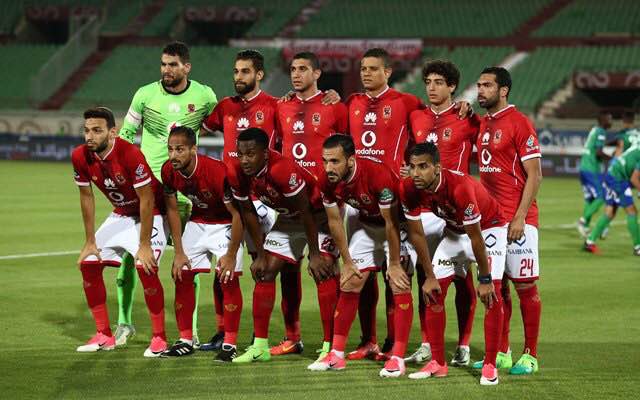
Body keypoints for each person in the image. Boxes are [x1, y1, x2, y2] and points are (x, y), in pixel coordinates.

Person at [118, 41, 218, 347]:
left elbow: (223, 122)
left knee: (188, 260)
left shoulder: (204, 95)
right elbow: (125, 135)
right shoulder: (144, 95)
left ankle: (191, 331)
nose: (166, 70)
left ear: (187, 67)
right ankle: (124, 323)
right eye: (163, 64)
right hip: (146, 188)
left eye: (173, 64)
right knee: (131, 255)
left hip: (184, 191)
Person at [309, 134, 416, 378]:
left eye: (335, 161)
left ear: (351, 160)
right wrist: (347, 261)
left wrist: (394, 263)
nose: (328, 168)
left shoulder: (378, 176)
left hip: (397, 226)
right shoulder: (327, 180)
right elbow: (335, 221)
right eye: (325, 161)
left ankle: (397, 358)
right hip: (365, 225)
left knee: (399, 284)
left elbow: (391, 222)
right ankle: (336, 355)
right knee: (350, 281)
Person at [227, 128, 337, 363]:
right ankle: (260, 347)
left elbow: (306, 210)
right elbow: (248, 212)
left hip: (318, 217)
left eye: (250, 154)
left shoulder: (281, 170)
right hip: (289, 218)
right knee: (265, 271)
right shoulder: (237, 172)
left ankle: (330, 346)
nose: (244, 160)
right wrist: (259, 254)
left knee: (323, 271)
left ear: (265, 154)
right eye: (240, 154)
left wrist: (315, 254)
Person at [400, 142, 507, 385]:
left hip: (488, 229)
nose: (416, 173)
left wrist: (485, 279)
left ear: (437, 168)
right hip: (454, 232)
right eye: (412, 167)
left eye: (423, 167)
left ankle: (490, 365)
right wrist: (429, 276)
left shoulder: (460, 188)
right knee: (433, 293)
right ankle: (438, 363)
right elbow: (416, 233)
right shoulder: (408, 188)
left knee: (492, 294)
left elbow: (476, 238)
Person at [72, 107, 168, 357]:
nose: (89, 136)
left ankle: (159, 338)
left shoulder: (129, 154)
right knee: (89, 263)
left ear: (112, 132)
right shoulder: (80, 156)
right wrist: (90, 241)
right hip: (122, 213)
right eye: (86, 131)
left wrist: (144, 245)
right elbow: (86, 197)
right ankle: (104, 335)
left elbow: (147, 199)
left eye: (97, 130)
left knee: (145, 266)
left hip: (154, 211)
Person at [405, 59, 480, 366]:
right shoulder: (416, 117)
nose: (432, 88)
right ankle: (427, 343)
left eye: (439, 82)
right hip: (423, 208)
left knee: (462, 278)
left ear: (452, 87)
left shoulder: (467, 119)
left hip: (455, 211)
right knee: (426, 275)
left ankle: (463, 344)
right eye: (428, 82)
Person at [276, 51, 348, 361]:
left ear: (317, 74)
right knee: (285, 268)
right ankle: (292, 338)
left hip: (324, 202)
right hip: (291, 203)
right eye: (293, 69)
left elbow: (348, 150)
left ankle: (331, 343)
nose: (296, 74)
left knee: (325, 269)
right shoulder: (281, 106)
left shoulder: (334, 107)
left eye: (303, 69)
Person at [474, 67, 543, 376]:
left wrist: (519, 217)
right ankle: (502, 352)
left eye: (487, 85)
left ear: (503, 90)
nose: (480, 90)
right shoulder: (483, 123)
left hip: (518, 220)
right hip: (490, 222)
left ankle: (531, 354)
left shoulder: (519, 122)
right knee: (496, 288)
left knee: (525, 286)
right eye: (479, 85)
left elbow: (535, 175)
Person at [160, 126, 244, 361]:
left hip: (226, 223)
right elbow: (172, 209)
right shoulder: (168, 170)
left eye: (180, 150)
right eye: (170, 149)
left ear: (193, 149)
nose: (173, 155)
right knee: (181, 274)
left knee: (228, 278)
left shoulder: (217, 172)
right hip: (198, 221)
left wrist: (230, 254)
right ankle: (185, 340)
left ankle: (230, 344)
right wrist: (178, 251)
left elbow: (237, 214)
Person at [584, 145, 640, 256]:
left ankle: (589, 241)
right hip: (618, 179)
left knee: (610, 212)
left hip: (612, 174)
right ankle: (638, 247)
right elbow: (634, 178)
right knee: (632, 211)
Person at [577, 111, 613, 238]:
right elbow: (598, 152)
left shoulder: (594, 130)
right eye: (609, 119)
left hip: (583, 167)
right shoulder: (601, 132)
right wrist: (613, 158)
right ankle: (583, 221)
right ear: (603, 120)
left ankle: (585, 226)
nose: (611, 121)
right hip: (592, 169)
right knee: (601, 196)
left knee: (590, 198)